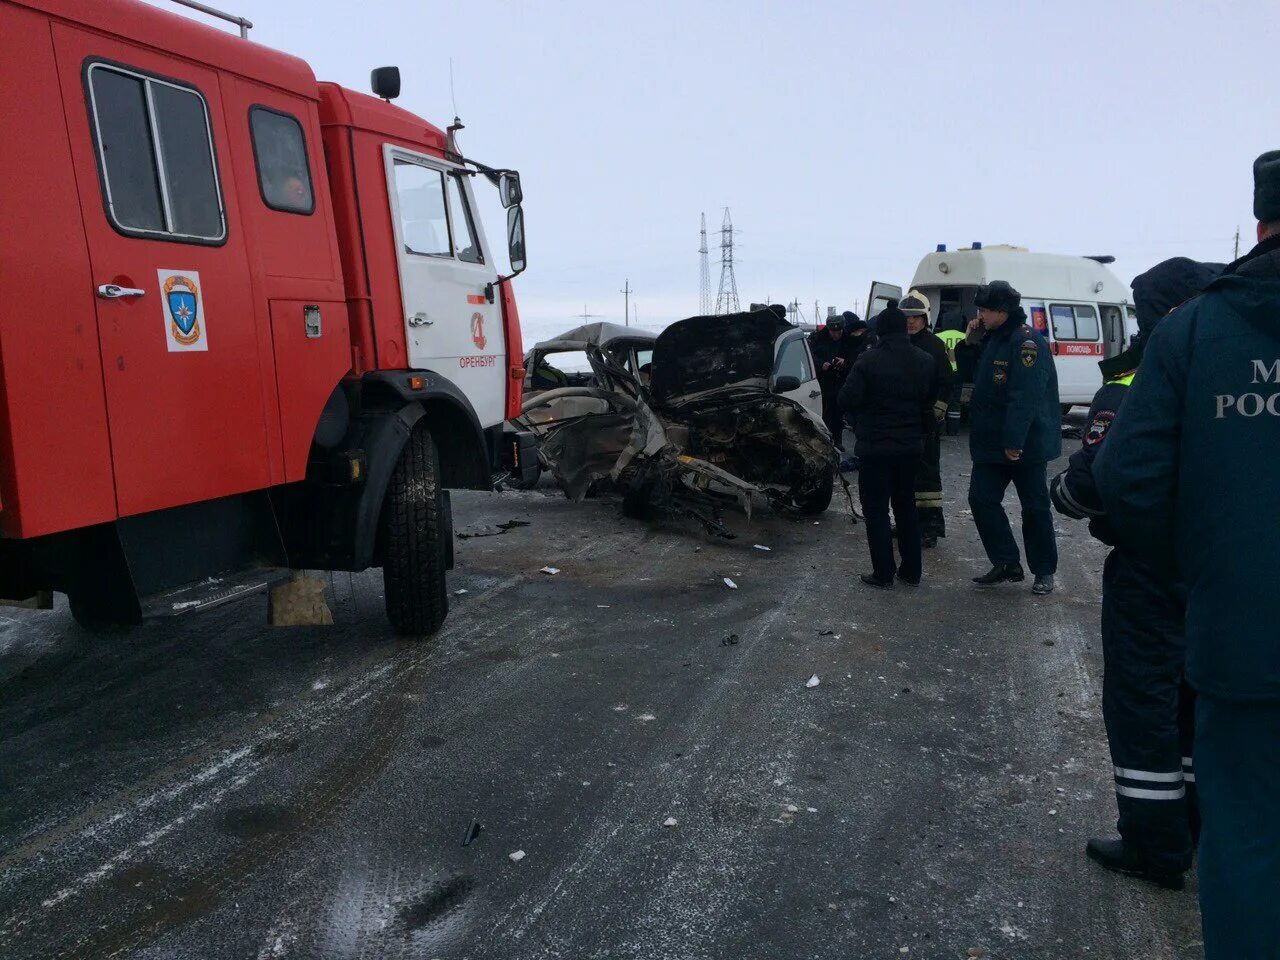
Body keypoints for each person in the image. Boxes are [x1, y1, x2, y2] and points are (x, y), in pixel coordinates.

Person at [1095, 150, 1280, 958]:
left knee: (1245, 844)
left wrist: (1206, 569)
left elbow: (1130, 484)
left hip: (1244, 641)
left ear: (1262, 218)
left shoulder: (1197, 330)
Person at [1051, 257, 1222, 890]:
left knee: (1143, 703)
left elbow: (1100, 484)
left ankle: (1155, 845)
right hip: (1215, 568)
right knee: (1192, 700)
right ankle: (1196, 826)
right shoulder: (1227, 370)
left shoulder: (1138, 384)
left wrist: (1065, 489)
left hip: (1151, 572)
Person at [965, 281, 1061, 595]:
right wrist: (970, 343)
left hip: (1023, 445)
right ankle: (1007, 561)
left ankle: (1044, 570)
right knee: (981, 500)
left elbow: (1026, 397)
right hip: (992, 444)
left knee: (1034, 508)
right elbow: (969, 380)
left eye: (984, 310)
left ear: (1002, 312)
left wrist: (1014, 441)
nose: (979, 314)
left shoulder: (1027, 343)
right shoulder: (991, 338)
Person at [838, 301, 938, 588]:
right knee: (907, 508)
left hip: (876, 448)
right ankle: (912, 571)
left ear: (880, 331)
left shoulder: (868, 361)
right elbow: (928, 399)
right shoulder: (924, 360)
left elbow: (846, 398)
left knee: (877, 511)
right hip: (910, 448)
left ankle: (883, 573)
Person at [902, 290, 953, 547]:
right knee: (903, 476)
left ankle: (930, 527)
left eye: (915, 317)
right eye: (906, 317)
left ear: (925, 318)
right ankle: (907, 523)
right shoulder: (897, 344)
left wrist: (937, 412)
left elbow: (948, 382)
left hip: (926, 422)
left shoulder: (936, 346)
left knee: (927, 477)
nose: (910, 321)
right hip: (901, 422)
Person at [807, 312, 856, 448]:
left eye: (838, 331)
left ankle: (837, 440)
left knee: (838, 413)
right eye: (832, 332)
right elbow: (808, 355)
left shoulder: (849, 340)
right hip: (822, 381)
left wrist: (845, 363)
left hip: (841, 381)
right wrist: (820, 364)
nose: (836, 335)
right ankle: (824, 439)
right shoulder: (817, 338)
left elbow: (857, 358)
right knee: (824, 413)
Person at [935, 310, 967, 436]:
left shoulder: (937, 336)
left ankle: (940, 429)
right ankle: (953, 430)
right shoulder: (964, 336)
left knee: (941, 400)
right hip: (958, 374)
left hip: (943, 374)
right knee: (955, 402)